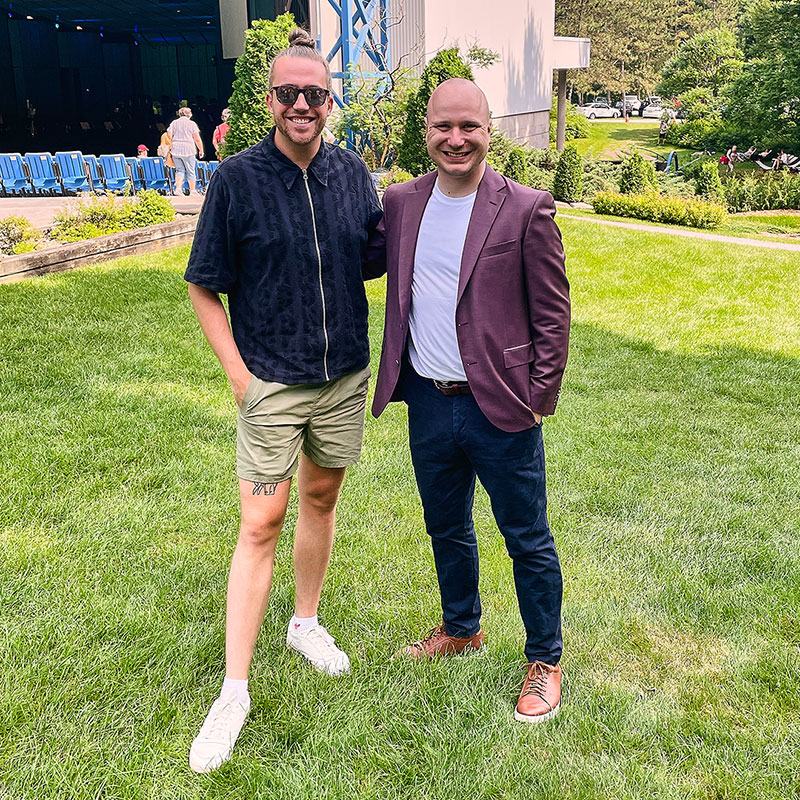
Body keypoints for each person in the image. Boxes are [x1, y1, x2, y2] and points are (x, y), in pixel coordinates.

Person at [184, 28, 382, 773]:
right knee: (261, 520)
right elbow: (205, 284)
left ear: (330, 103)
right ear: (269, 100)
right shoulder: (236, 178)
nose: (302, 104)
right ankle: (234, 691)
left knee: (322, 499)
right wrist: (239, 376)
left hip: (340, 379)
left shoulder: (352, 173)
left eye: (316, 94)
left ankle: (304, 623)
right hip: (269, 381)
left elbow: (374, 254)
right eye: (289, 93)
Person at [365, 78, 571, 724]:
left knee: (526, 537)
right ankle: (462, 629)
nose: (456, 140)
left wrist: (538, 397)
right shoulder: (400, 203)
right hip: (427, 402)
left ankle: (544, 659)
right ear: (425, 131)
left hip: (501, 407)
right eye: (443, 127)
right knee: (445, 526)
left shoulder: (526, 209)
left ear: (489, 130)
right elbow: (354, 256)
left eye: (469, 128)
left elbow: (553, 315)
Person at [167, 106, 204, 195]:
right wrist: (201, 150)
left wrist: (173, 140)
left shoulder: (174, 123)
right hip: (188, 149)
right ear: (189, 114)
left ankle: (178, 189)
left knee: (179, 170)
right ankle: (192, 190)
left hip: (176, 149)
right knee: (190, 170)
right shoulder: (192, 124)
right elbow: (197, 138)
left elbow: (168, 133)